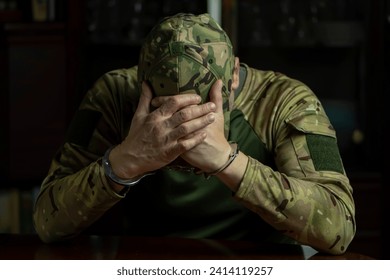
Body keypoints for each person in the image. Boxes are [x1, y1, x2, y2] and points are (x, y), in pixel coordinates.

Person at [33, 13, 355, 255]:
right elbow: (48, 221)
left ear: (234, 78)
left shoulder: (283, 101)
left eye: (204, 107)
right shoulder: (115, 94)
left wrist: (228, 163)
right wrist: (123, 163)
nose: (182, 123)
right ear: (139, 82)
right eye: (165, 108)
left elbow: (338, 225)